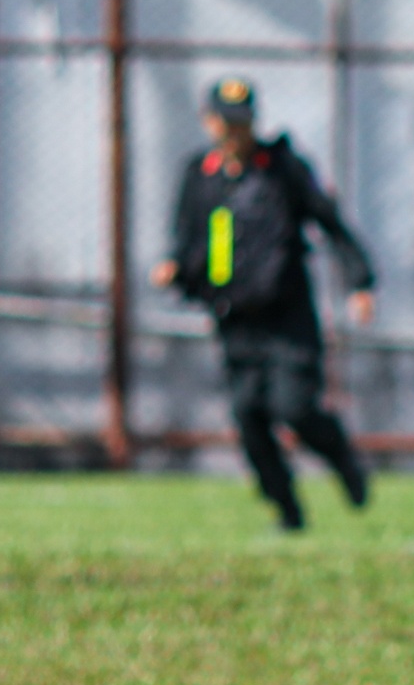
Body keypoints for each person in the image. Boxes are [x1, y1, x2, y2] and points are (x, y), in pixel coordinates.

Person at [152, 76, 376, 529]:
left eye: (242, 122)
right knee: (249, 419)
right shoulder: (200, 175)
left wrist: (360, 282)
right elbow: (188, 238)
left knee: (294, 408)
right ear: (209, 122)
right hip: (234, 318)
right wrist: (174, 266)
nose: (235, 132)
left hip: (287, 315)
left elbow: (330, 223)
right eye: (226, 123)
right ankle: (287, 508)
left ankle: (343, 458)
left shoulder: (282, 169)